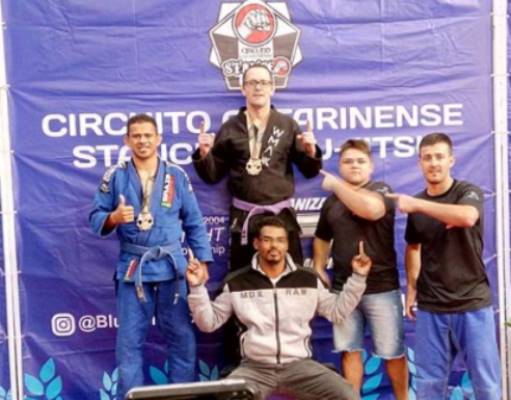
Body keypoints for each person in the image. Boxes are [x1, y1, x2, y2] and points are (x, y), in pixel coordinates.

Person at [89, 114, 213, 399]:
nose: (142, 140)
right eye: (136, 135)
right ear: (127, 140)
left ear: (158, 139)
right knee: (129, 344)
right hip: (134, 268)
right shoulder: (115, 176)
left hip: (173, 268)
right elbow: (95, 217)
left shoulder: (176, 175)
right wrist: (114, 217)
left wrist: (203, 261)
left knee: (181, 339)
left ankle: (181, 398)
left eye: (148, 135)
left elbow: (194, 221)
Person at [186, 215, 372, 400]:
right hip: (255, 369)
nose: (274, 245)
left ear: (287, 245)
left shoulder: (308, 279)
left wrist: (359, 278)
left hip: (300, 367)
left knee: (347, 395)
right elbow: (208, 323)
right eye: (267, 240)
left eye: (280, 240)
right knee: (225, 398)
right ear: (256, 244)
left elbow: (337, 312)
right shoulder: (237, 282)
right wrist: (196, 287)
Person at [388, 132, 501, 399]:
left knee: (487, 385)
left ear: (451, 160)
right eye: (427, 158)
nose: (434, 163)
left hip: (472, 303)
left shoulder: (467, 192)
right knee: (429, 386)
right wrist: (412, 287)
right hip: (432, 307)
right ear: (420, 163)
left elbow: (467, 217)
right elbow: (413, 247)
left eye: (439, 156)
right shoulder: (417, 206)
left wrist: (417, 204)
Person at [192, 63, 322, 269]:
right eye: (252, 83)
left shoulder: (287, 125)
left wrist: (311, 151)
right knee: (243, 278)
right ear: (243, 88)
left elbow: (310, 171)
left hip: (281, 218)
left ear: (272, 88)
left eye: (263, 82)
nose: (258, 87)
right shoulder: (231, 128)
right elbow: (212, 176)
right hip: (245, 218)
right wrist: (204, 154)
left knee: (291, 279)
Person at [313, 139, 408, 399]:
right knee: (349, 351)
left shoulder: (382, 190)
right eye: (348, 161)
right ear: (340, 166)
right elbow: (321, 237)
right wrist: (319, 265)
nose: (354, 165)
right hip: (343, 289)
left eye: (360, 161)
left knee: (393, 353)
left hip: (381, 288)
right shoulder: (331, 203)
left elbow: (371, 210)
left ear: (371, 166)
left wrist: (335, 184)